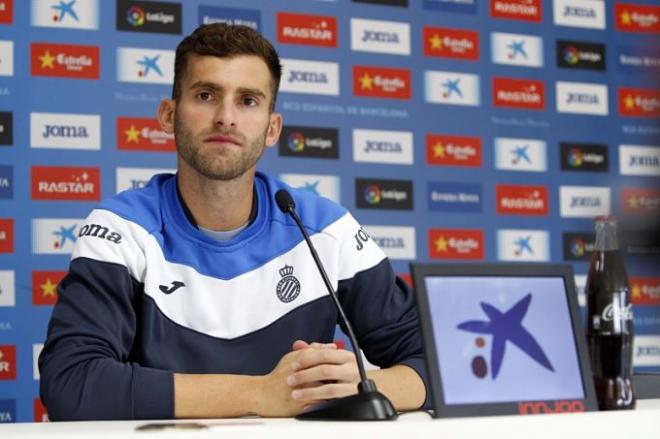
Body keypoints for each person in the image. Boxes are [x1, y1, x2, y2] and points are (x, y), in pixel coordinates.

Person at [38, 23, 427, 420]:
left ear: (272, 127)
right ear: (169, 115)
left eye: (248, 101)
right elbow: (72, 383)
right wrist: (260, 394)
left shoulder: (324, 229)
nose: (226, 118)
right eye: (206, 95)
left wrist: (363, 385)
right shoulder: (122, 229)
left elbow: (438, 362)